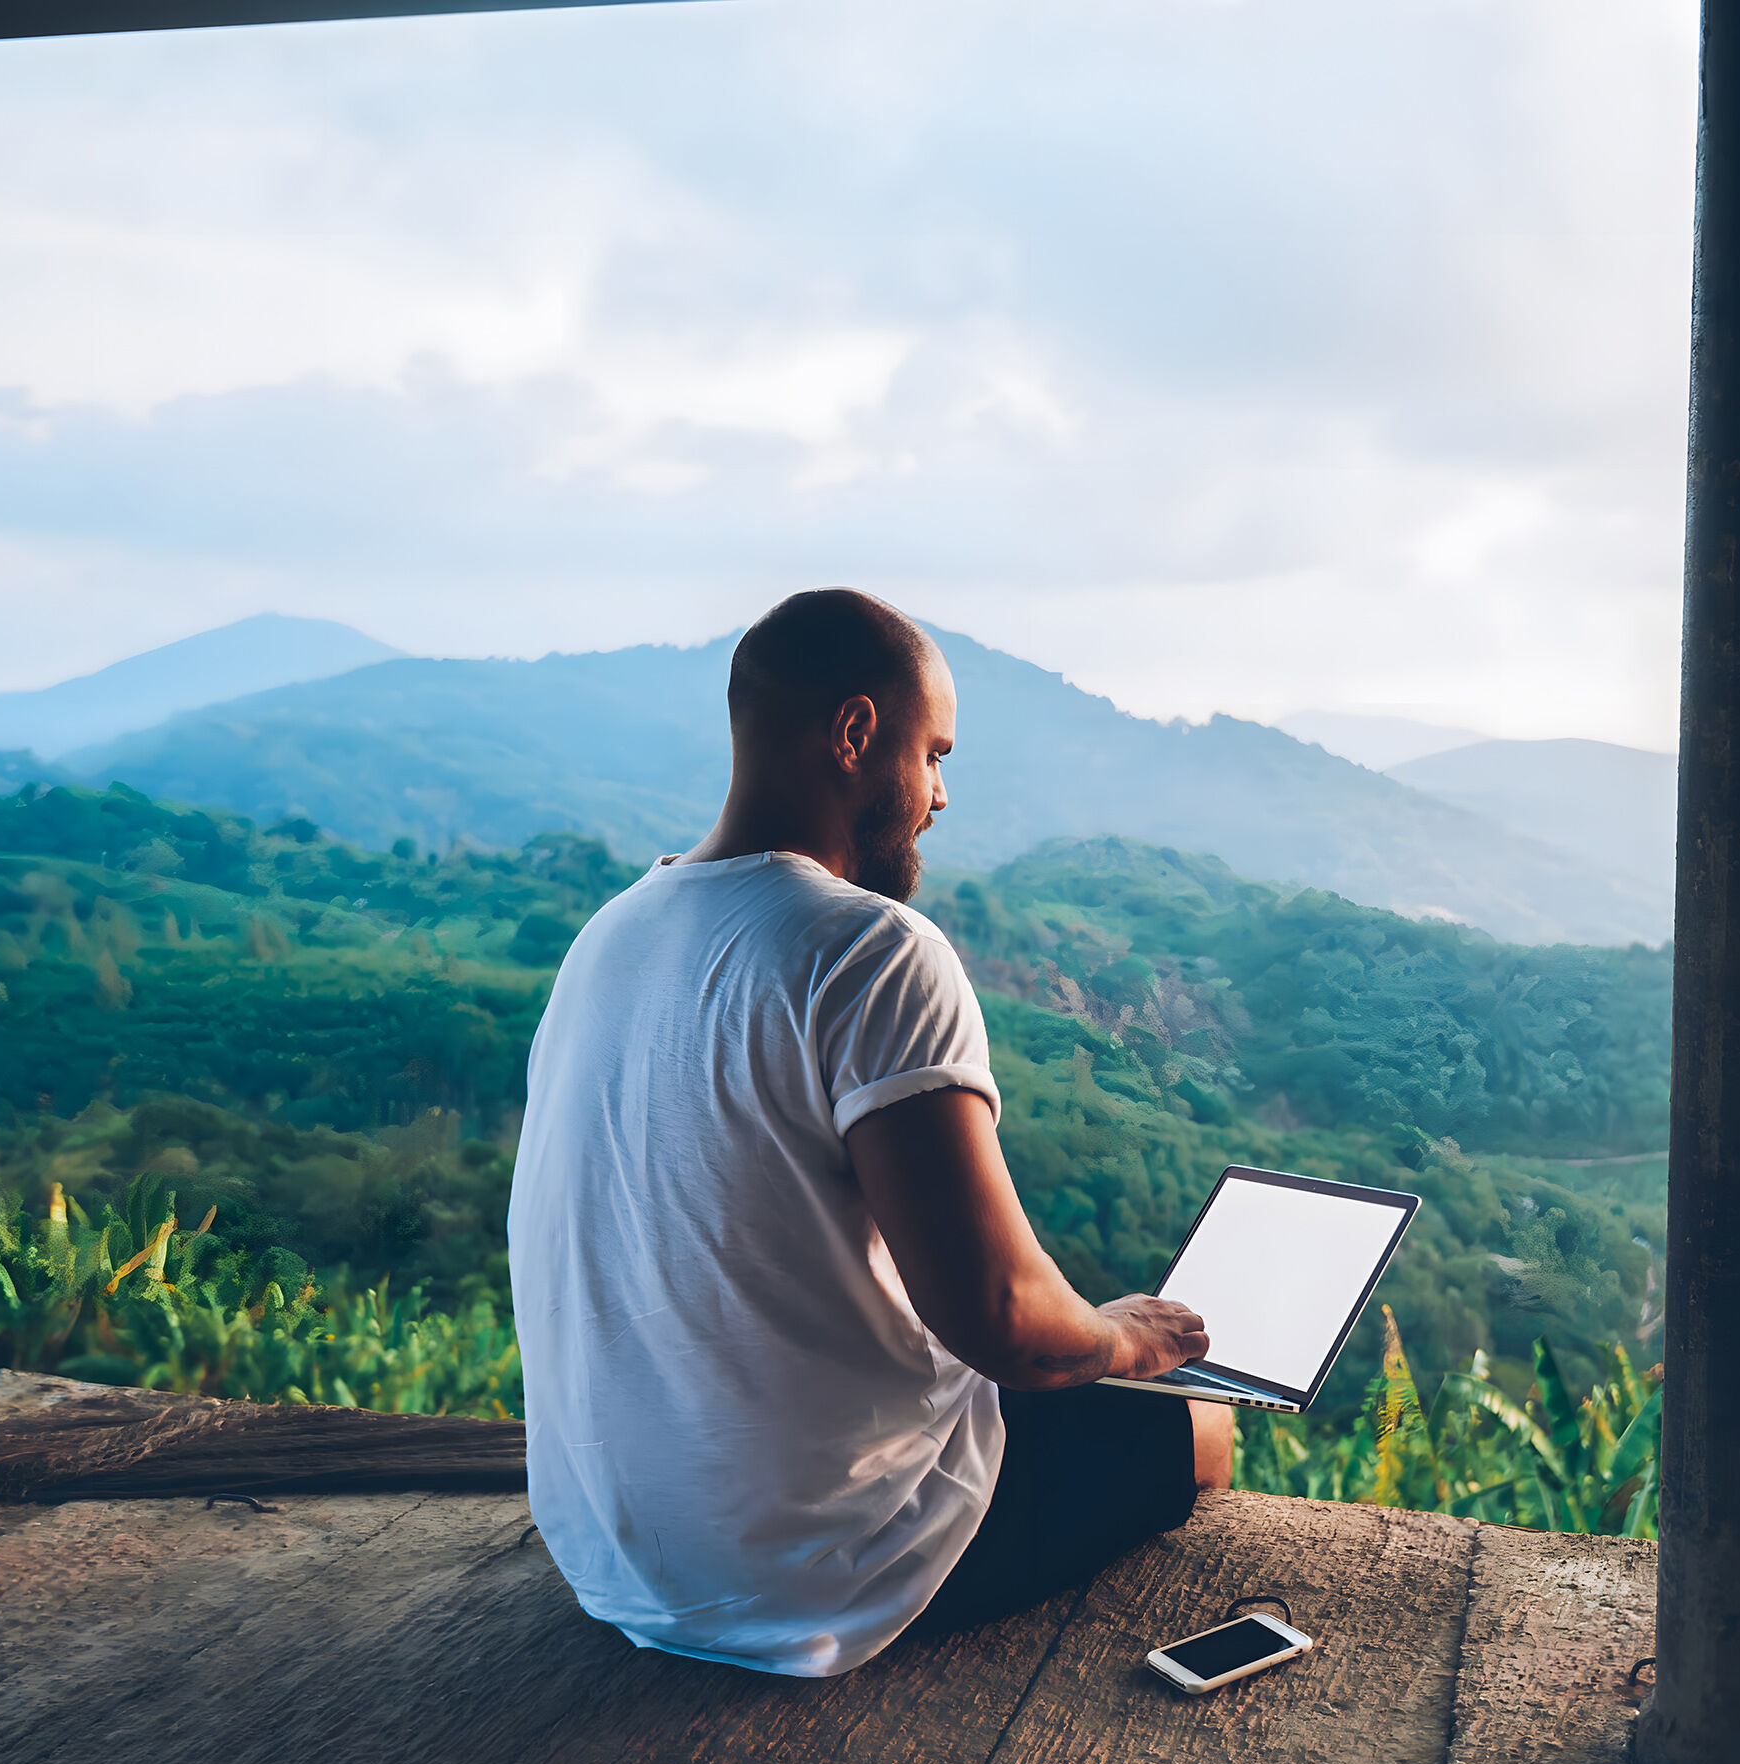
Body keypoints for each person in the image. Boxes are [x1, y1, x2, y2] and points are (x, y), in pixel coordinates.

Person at [510, 587, 1229, 1677]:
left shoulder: (611, 933)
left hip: (612, 1558)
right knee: (1203, 1430)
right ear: (855, 734)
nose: (940, 795)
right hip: (808, 1571)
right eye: (933, 754)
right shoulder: (871, 949)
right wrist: (1130, 1337)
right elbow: (1000, 1319)